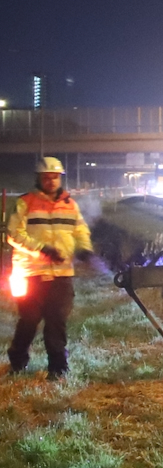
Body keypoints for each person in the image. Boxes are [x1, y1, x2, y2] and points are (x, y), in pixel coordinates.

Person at [7, 157, 91, 379]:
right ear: (39, 179)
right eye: (47, 177)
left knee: (56, 322)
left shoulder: (70, 205)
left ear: (60, 178)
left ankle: (58, 368)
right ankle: (17, 360)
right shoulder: (25, 203)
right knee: (29, 320)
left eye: (55, 177)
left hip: (61, 275)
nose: (51, 181)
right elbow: (14, 235)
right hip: (31, 274)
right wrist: (42, 249)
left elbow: (80, 230)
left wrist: (84, 248)